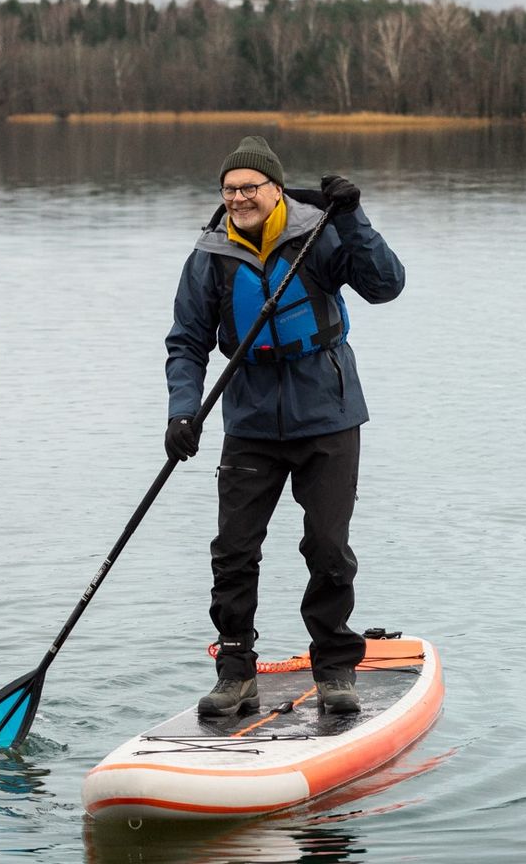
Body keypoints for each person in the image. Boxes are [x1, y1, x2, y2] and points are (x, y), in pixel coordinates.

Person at [163, 136, 405, 717]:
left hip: (328, 416)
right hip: (249, 421)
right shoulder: (210, 256)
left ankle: (335, 666)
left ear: (275, 189)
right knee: (234, 550)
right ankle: (235, 671)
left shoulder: (320, 235)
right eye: (230, 189)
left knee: (327, 547)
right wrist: (182, 410)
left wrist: (354, 217)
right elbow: (187, 342)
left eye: (250, 187)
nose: (240, 197)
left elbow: (385, 285)